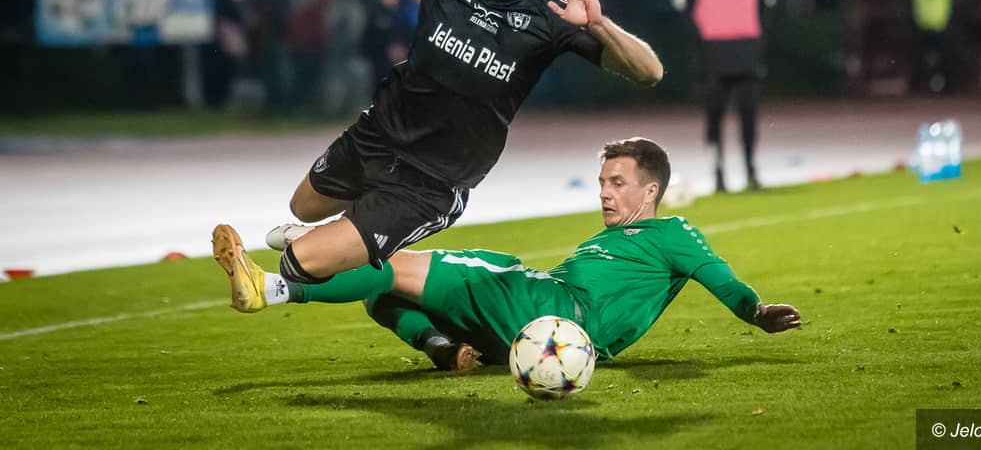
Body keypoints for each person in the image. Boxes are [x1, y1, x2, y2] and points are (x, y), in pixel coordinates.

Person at [214, 0, 664, 301]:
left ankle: (287, 276)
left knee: (300, 261)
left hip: (433, 180)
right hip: (380, 134)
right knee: (302, 207)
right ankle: (345, 238)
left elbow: (650, 72)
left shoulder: (551, 15)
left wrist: (599, 24)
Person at [213, 138, 801, 373]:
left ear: (651, 191)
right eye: (602, 181)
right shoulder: (619, 240)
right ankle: (444, 349)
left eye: (617, 183)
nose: (604, 192)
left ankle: (276, 286)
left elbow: (718, 277)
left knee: (387, 265)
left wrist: (754, 311)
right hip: (534, 334)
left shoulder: (670, 232)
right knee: (381, 291)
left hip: (550, 310)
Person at [671, 0, 776, 193]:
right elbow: (682, 6)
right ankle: (718, 174)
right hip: (713, 54)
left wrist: (757, 42)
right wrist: (700, 43)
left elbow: (768, 5)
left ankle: (751, 171)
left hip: (746, 52)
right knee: (714, 115)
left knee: (749, 114)